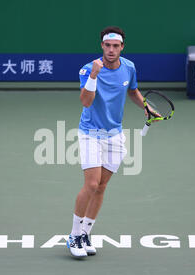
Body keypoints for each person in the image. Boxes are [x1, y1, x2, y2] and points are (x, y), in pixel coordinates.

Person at [66, 26, 161, 258]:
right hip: (90, 133)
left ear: (122, 47)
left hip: (115, 135)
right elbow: (86, 102)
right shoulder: (89, 69)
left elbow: (133, 92)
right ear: (102, 46)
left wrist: (147, 108)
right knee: (91, 184)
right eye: (107, 45)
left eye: (115, 46)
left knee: (101, 187)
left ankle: (86, 233)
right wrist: (94, 76)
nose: (111, 50)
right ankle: (73, 235)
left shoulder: (129, 67)